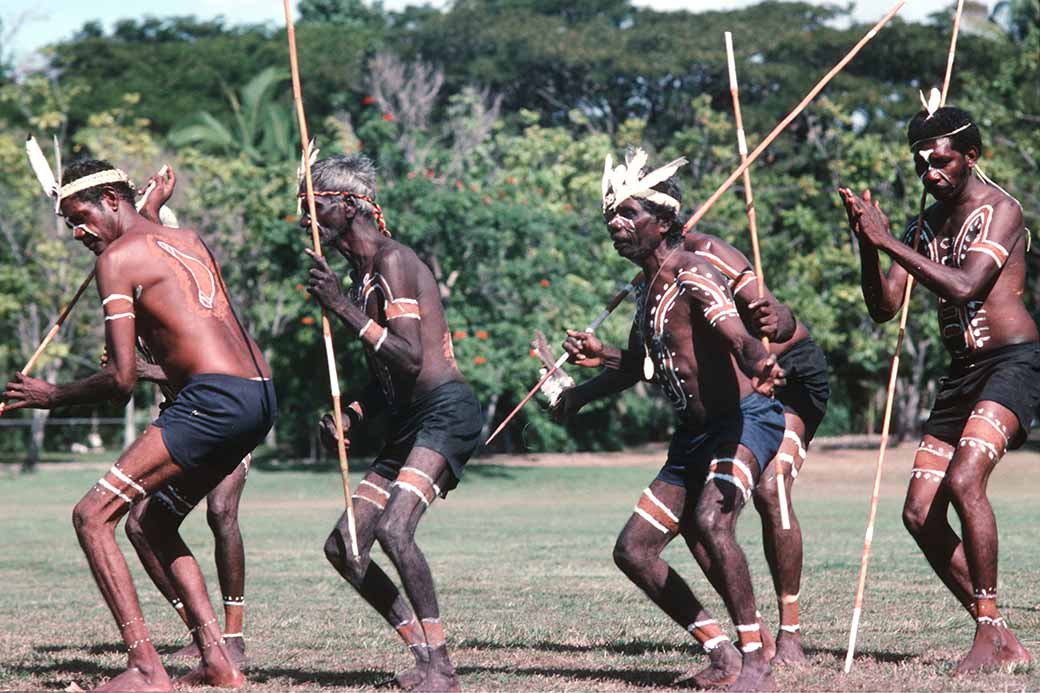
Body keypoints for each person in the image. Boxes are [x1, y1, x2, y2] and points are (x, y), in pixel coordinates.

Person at [4, 158, 275, 691]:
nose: (78, 232)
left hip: (213, 400)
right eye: (69, 225)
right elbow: (145, 235)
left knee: (91, 516)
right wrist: (145, 208)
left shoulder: (117, 260)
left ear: (112, 200)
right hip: (259, 397)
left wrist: (51, 395)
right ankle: (219, 664)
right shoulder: (186, 236)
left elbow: (122, 380)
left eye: (80, 217)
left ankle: (147, 669)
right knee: (149, 523)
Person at [555, 149, 785, 691]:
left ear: (663, 222)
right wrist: (580, 394)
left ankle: (756, 661)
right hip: (692, 437)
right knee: (633, 549)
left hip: (744, 419)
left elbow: (735, 335)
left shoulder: (692, 274)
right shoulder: (646, 287)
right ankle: (720, 650)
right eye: (611, 214)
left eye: (629, 213)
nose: (616, 222)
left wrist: (761, 361)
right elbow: (638, 366)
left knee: (711, 522)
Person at [838, 99, 1037, 673]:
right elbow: (884, 306)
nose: (931, 173)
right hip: (960, 377)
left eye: (943, 161)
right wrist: (866, 243)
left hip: (1013, 364)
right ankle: (999, 638)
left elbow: (966, 285)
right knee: (919, 513)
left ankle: (991, 628)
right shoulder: (922, 226)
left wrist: (888, 240)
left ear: (971, 156)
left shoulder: (1003, 209)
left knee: (965, 476)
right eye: (922, 165)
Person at [302, 154, 483, 692]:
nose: (308, 218)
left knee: (394, 529)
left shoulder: (393, 261)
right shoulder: (360, 277)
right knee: (345, 546)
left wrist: (341, 309)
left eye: (316, 206)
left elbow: (408, 357)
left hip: (446, 413)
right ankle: (423, 651)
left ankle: (442, 667)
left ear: (351, 205)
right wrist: (352, 411)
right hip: (406, 420)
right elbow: (389, 378)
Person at [116, 166, 253, 666]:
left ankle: (232, 635)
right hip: (183, 420)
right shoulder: (137, 289)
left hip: (226, 417)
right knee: (140, 525)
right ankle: (202, 631)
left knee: (221, 512)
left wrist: (141, 369)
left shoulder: (199, 293)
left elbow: (199, 364)